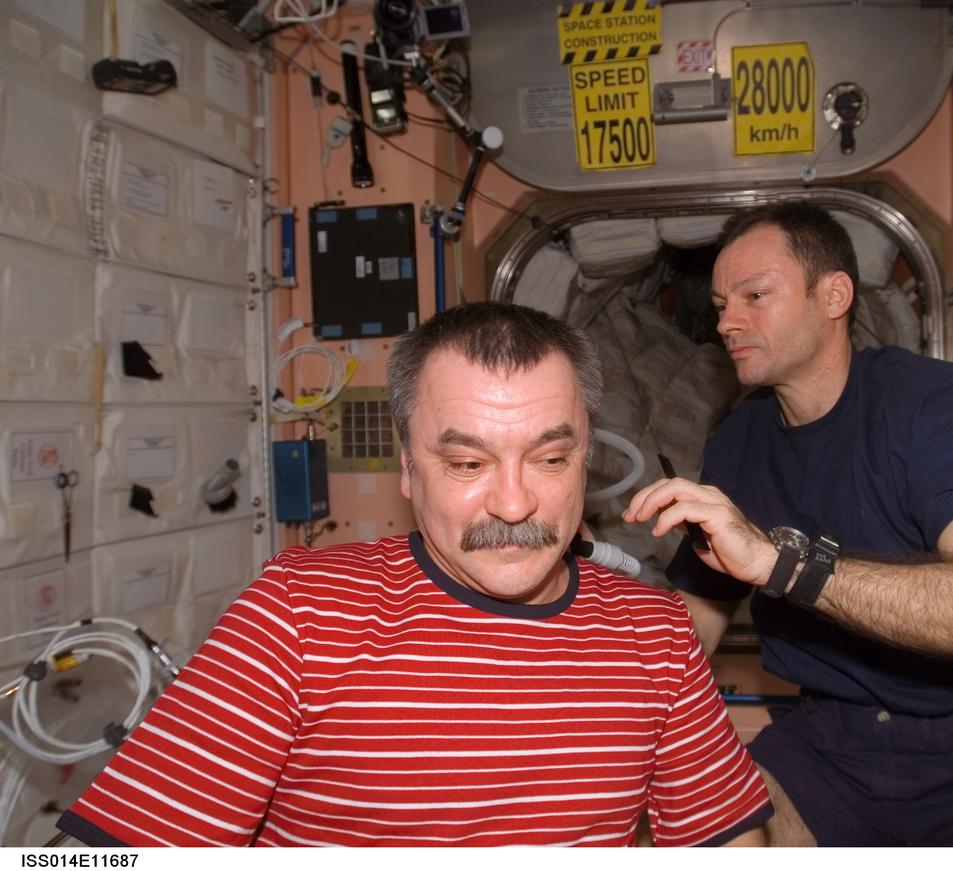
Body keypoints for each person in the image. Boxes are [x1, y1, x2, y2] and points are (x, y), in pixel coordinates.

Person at [57, 302, 771, 847]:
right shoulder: (297, 616)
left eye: (551, 459)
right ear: (406, 466)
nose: (516, 501)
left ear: (589, 458)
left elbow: (735, 842)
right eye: (467, 463)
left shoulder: (656, 633)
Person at [623, 201, 953, 847]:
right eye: (719, 304)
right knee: (717, 837)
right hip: (826, 746)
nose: (726, 323)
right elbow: (692, 624)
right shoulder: (738, 440)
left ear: (834, 294)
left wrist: (781, 563)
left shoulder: (945, 407)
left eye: (754, 295)